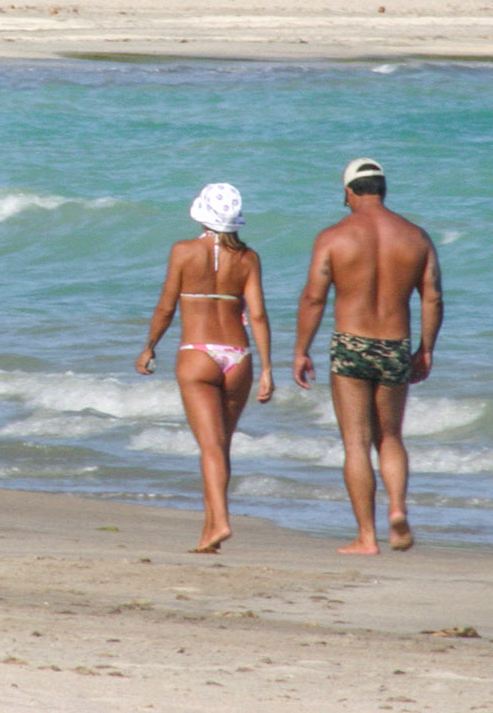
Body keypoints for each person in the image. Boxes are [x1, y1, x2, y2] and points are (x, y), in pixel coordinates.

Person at [291, 158, 443, 555]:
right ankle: (397, 508)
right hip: (395, 344)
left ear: (349, 192)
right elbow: (432, 297)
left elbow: (313, 298)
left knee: (356, 444)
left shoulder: (333, 237)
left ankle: (366, 537)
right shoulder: (416, 238)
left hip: (351, 343)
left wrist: (301, 351)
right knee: (390, 436)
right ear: (383, 190)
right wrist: (426, 349)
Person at [137, 182, 275, 553]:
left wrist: (149, 347)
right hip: (238, 357)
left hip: (197, 353)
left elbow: (166, 307)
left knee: (210, 447)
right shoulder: (248, 258)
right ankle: (208, 532)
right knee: (220, 447)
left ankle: (221, 521)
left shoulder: (183, 251)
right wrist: (266, 368)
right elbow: (258, 315)